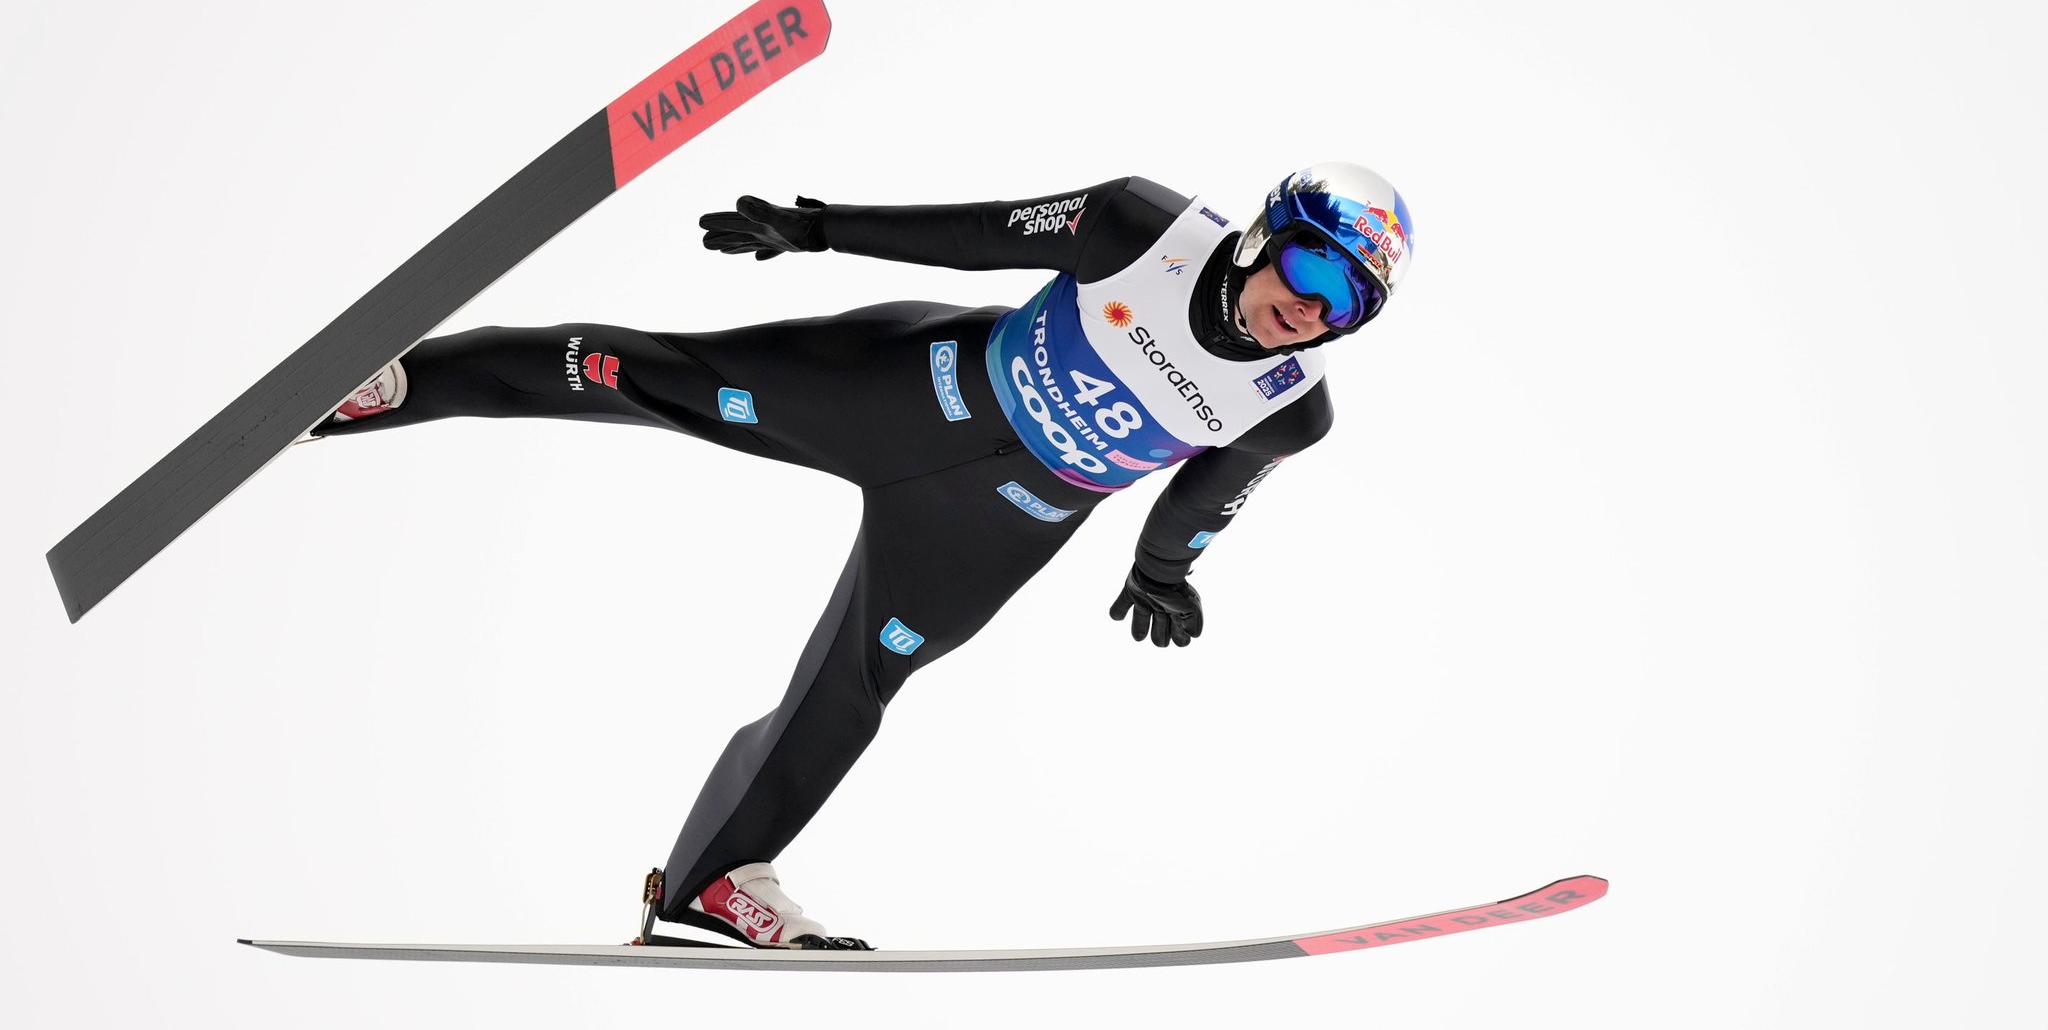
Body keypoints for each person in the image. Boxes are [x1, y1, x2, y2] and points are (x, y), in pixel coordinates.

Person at [316, 162, 1414, 950]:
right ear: (1268, 230)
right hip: (903, 390)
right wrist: (820, 229)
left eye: (1342, 310)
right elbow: (985, 230)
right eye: (1309, 271)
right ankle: (401, 382)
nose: (1305, 314)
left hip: (996, 523)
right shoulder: (1141, 227)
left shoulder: (1286, 411)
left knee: (854, 683)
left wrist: (1162, 572)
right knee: (650, 375)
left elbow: (1208, 496)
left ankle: (708, 889)